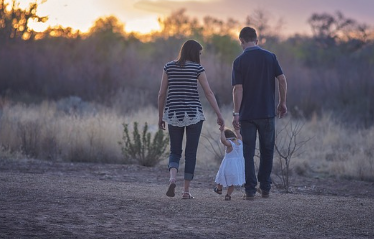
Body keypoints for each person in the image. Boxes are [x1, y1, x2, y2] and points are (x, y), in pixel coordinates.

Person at [158, 39, 224, 199]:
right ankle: (186, 191)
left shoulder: (168, 67)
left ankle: (172, 178)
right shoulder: (197, 68)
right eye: (199, 53)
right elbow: (208, 93)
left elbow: (161, 94)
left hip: (173, 114)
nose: (200, 56)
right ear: (194, 53)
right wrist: (219, 114)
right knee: (191, 153)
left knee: (175, 150)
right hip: (194, 114)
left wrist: (161, 116)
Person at [231, 27, 288, 200]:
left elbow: (237, 89)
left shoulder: (239, 61)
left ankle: (249, 190)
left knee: (247, 152)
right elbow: (282, 79)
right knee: (267, 150)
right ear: (257, 40)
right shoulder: (270, 57)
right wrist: (282, 102)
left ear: (241, 41)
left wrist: (236, 113)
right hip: (267, 113)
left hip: (247, 115)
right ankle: (265, 188)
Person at [214, 127, 245, 201]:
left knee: (220, 177)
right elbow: (239, 135)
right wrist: (237, 130)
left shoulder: (230, 144)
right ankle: (228, 195)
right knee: (232, 183)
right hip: (237, 168)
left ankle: (219, 189)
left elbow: (223, 141)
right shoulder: (240, 142)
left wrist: (222, 132)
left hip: (228, 166)